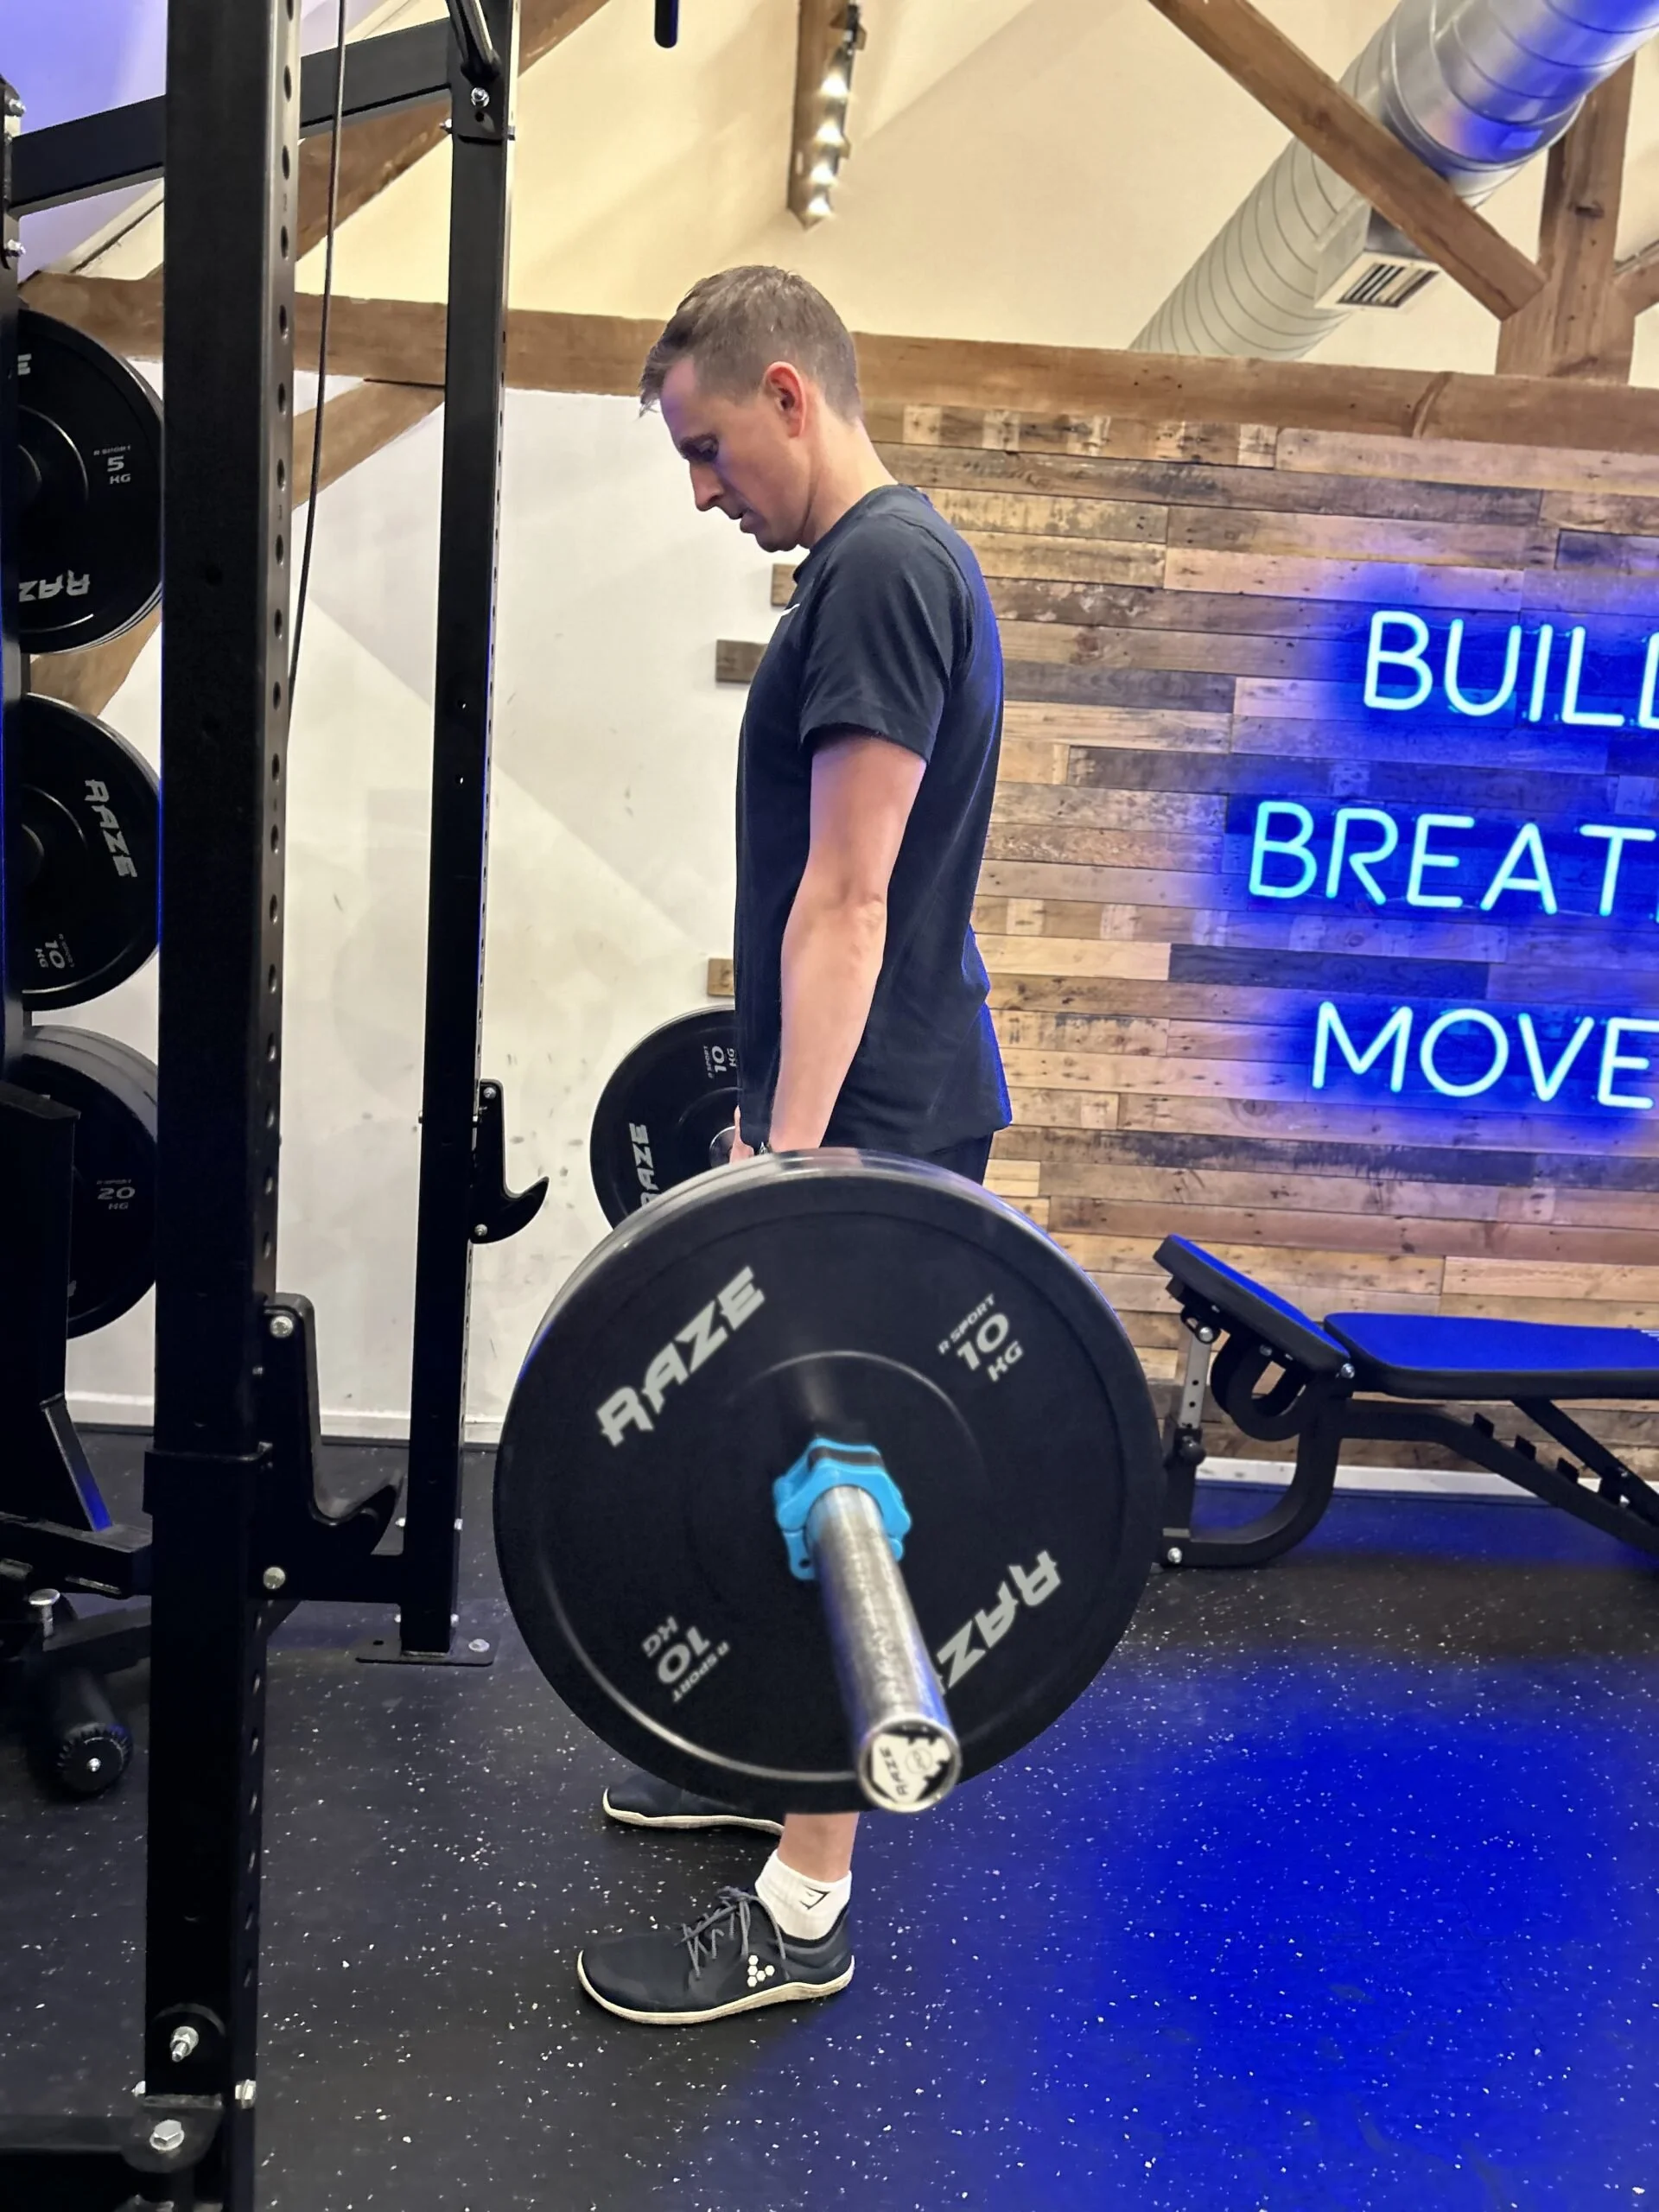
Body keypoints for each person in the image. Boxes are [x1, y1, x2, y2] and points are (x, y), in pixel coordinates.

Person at [576, 265, 1011, 2027]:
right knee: (796, 1481)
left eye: (704, 452)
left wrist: (790, 1162)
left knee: (844, 1496)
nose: (701, 493)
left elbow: (849, 894)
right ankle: (778, 1778)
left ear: (786, 393)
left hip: (881, 1122)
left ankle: (807, 1904)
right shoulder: (872, 567)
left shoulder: (886, 572)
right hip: (869, 1102)